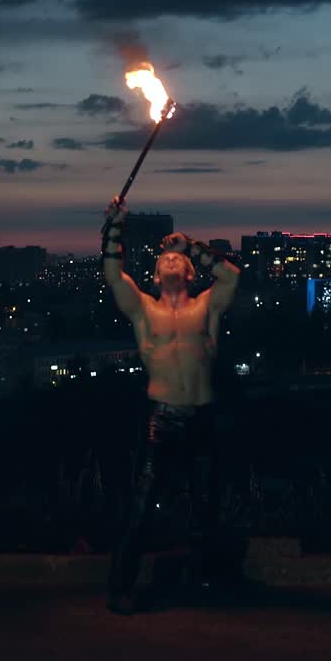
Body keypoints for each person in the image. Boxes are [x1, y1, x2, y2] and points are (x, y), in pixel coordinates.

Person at [100, 198, 241, 615]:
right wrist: (114, 227)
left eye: (178, 259)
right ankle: (121, 587)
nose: (171, 260)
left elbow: (231, 276)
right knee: (142, 507)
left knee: (206, 507)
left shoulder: (207, 307)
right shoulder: (144, 311)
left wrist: (189, 243)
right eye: (165, 258)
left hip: (203, 417)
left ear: (190, 272)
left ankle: (207, 582)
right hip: (162, 420)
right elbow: (112, 274)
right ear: (156, 273)